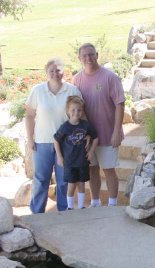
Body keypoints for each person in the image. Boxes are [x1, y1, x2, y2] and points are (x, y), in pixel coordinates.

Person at [25, 58, 82, 213]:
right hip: (42, 142)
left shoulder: (72, 91)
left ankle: (63, 212)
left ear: (64, 71)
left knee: (64, 180)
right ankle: (37, 213)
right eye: (51, 71)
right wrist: (30, 139)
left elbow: (80, 117)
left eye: (58, 70)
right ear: (46, 73)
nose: (55, 73)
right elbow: (29, 116)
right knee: (41, 179)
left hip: (66, 145)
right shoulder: (38, 91)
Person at [73, 43, 125, 207]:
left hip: (108, 134)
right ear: (79, 58)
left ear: (97, 54)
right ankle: (95, 202)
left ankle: (112, 204)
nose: (88, 58)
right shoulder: (77, 79)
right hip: (88, 138)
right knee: (92, 169)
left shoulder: (109, 77)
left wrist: (117, 131)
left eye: (91, 54)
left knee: (109, 169)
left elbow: (120, 104)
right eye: (84, 56)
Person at [54, 96, 98, 210]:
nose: (76, 112)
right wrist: (59, 156)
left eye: (79, 110)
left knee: (82, 184)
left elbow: (96, 137)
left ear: (82, 111)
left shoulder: (85, 125)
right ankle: (70, 207)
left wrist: (92, 151)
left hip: (82, 160)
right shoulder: (65, 127)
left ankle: (81, 206)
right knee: (71, 185)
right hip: (69, 162)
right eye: (73, 110)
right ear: (68, 111)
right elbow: (56, 140)